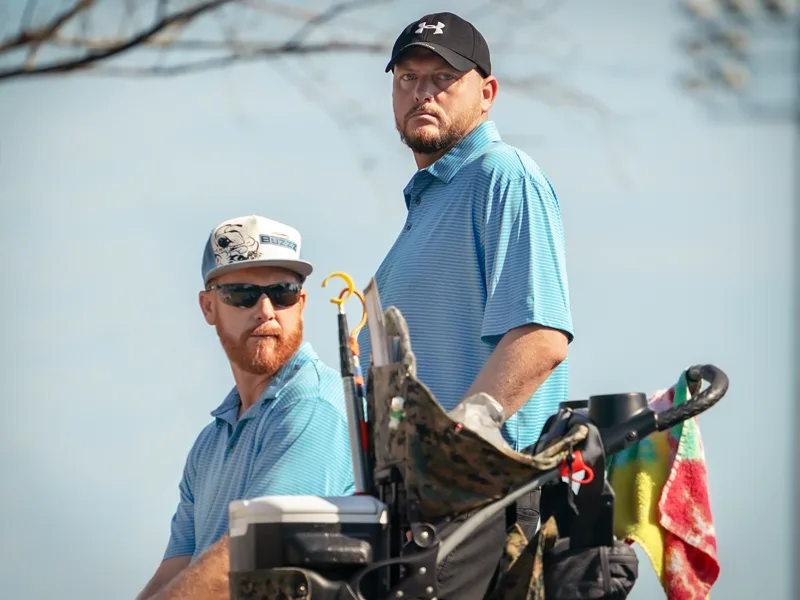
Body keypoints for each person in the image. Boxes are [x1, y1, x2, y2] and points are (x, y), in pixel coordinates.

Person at [357, 11, 574, 600]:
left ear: (487, 93)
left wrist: (461, 436)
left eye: (442, 77)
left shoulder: (502, 176)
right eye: (407, 77)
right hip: (419, 510)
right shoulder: (426, 211)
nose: (422, 91)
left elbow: (540, 335)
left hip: (482, 501)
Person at [136, 215, 355, 600]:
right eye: (242, 294)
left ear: (301, 304)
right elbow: (174, 572)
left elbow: (250, 564)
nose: (266, 310)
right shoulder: (209, 444)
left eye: (283, 292)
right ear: (208, 308)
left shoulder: (312, 408)